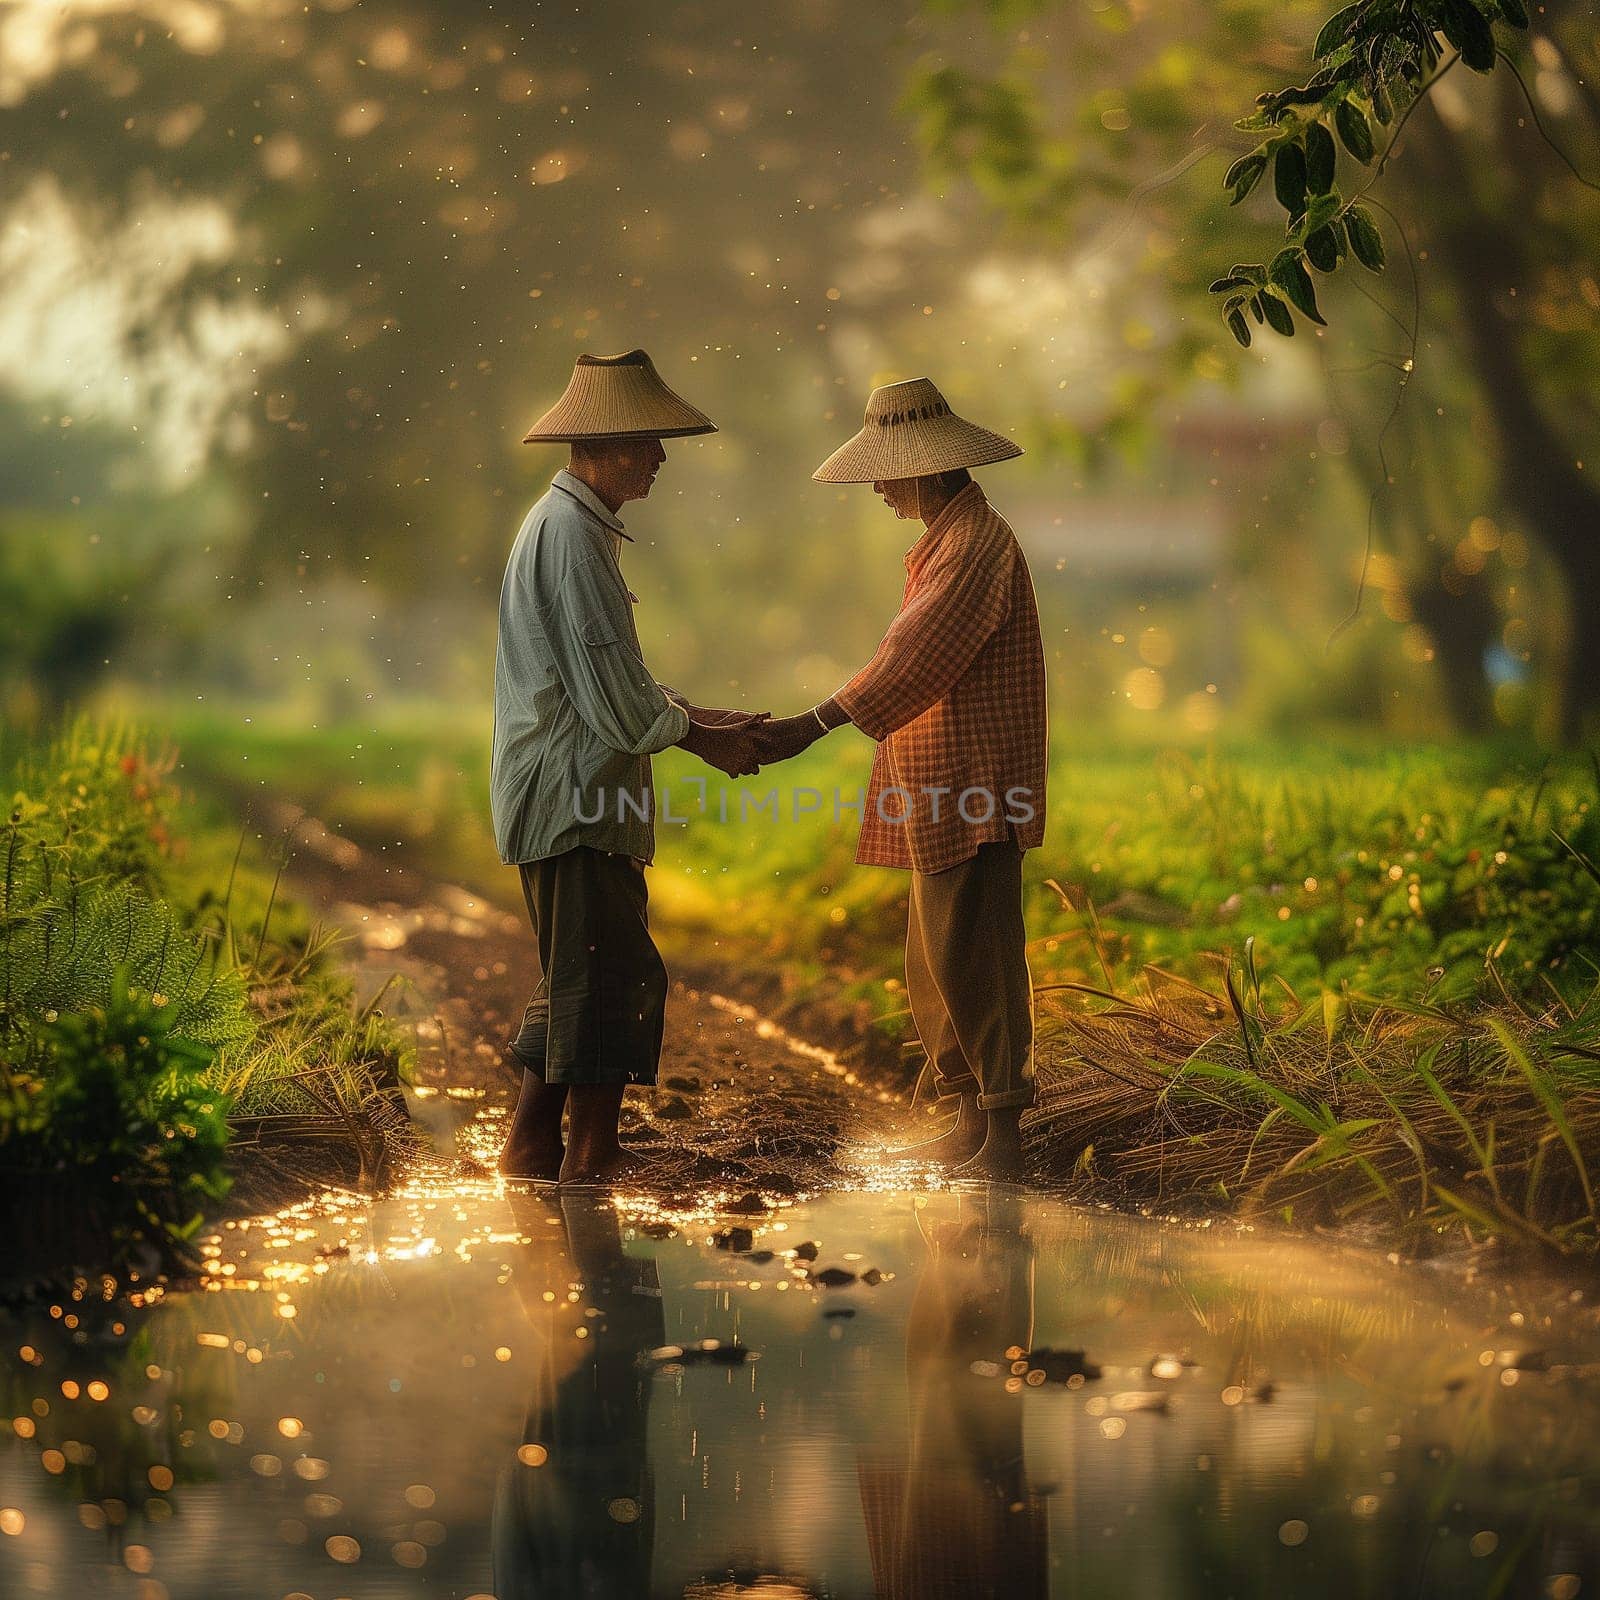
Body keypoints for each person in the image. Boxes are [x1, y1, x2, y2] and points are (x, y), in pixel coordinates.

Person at [751, 377, 1047, 1180]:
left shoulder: (976, 544)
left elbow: (912, 656)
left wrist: (807, 726)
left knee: (977, 953)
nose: (878, 486)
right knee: (936, 956)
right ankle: (965, 1119)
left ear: (926, 467)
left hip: (976, 785)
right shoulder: (946, 540)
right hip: (940, 783)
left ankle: (1004, 1135)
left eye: (886, 472)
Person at [491, 348, 765, 1184]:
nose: (660, 456)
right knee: (614, 974)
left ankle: (536, 1144)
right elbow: (614, 693)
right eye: (647, 441)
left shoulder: (575, 529)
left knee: (581, 970)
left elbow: (612, 677)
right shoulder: (571, 536)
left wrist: (697, 713)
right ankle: (591, 1153)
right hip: (570, 798)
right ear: (602, 444)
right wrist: (704, 739)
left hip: (570, 793)